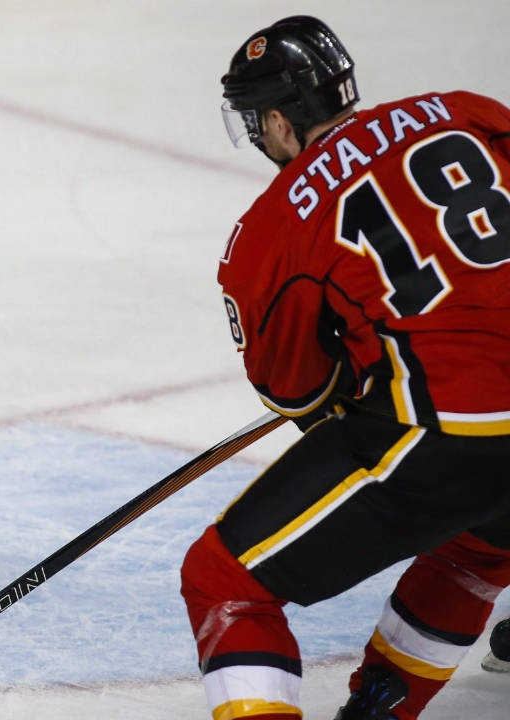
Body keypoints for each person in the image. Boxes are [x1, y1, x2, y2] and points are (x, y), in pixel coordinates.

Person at [179, 15, 510, 720]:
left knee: (224, 580)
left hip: (448, 431)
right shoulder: (466, 112)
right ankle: (381, 708)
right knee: (483, 543)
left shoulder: (273, 225)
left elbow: (296, 390)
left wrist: (358, 377)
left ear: (277, 121)